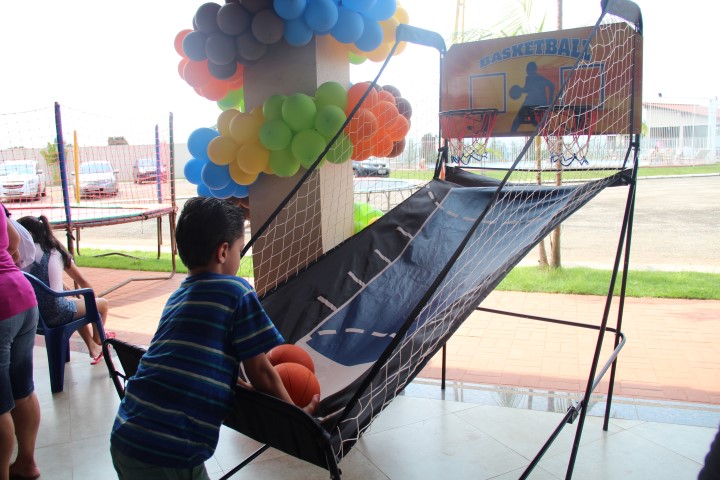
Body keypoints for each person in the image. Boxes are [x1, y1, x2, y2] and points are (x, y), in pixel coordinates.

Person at [110, 196, 319, 479]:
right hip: (170, 448)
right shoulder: (236, 292)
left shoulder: (177, 297)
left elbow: (195, 361)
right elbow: (261, 371)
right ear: (223, 252)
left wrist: (242, 386)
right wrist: (297, 419)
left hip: (128, 432)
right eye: (239, 250)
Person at [17, 215, 111, 365]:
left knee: (75, 304)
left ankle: (92, 345)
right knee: (102, 304)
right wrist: (89, 302)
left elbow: (36, 278)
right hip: (56, 314)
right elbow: (84, 282)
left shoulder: (21, 254)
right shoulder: (56, 251)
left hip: (33, 316)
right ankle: (97, 343)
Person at [0, 203, 41, 480]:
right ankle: (26, 463)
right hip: (23, 296)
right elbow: (14, 240)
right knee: (22, 390)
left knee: (0, 405)